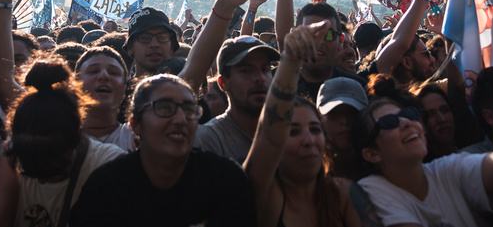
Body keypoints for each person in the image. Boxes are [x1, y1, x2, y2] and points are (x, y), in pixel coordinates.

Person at [353, 17, 493, 226]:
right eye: (389, 123)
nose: (406, 124)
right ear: (371, 154)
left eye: (410, 115)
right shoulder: (371, 192)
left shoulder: (447, 171)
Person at [69, 74, 257, 227]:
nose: (180, 119)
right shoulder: (107, 186)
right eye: (165, 108)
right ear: (135, 124)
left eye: (189, 110)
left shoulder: (225, 178)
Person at [245, 22, 375, 227]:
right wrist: (290, 61)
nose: (308, 140)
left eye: (315, 130)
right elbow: (268, 136)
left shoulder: (344, 194)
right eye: (293, 132)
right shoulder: (267, 198)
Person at [0, 59, 125, 227]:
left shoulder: (108, 165)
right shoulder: (10, 156)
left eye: (54, 171)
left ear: (78, 137)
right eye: (29, 170)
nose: (42, 181)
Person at [194, 35, 280, 163]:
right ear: (223, 83)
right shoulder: (208, 140)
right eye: (246, 71)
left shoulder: (288, 131)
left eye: (265, 69)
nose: (260, 78)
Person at [75, 46, 134, 150]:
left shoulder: (139, 138)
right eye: (93, 71)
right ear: (76, 86)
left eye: (113, 73)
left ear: (123, 91)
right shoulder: (59, 140)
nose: (104, 76)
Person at [317, 78, 368, 180]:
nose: (344, 121)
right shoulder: (310, 170)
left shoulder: (382, 164)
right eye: (334, 113)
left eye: (352, 112)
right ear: (320, 118)